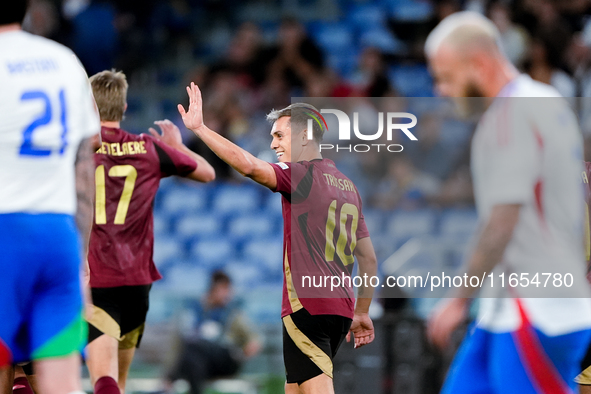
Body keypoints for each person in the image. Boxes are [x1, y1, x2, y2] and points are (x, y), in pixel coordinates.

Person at [424, 11, 591, 393]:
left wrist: (457, 299)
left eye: (446, 78)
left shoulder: (508, 115)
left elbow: (502, 219)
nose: (440, 90)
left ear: (479, 64)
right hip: (505, 309)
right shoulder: (546, 100)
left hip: (536, 312)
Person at [177, 83, 378, 394]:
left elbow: (248, 166)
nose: (273, 144)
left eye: (279, 135)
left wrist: (201, 129)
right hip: (340, 309)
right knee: (294, 388)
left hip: (307, 306)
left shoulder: (300, 174)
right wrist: (362, 311)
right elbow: (368, 259)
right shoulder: (348, 186)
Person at [85, 70, 215, 394]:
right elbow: (208, 173)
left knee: (103, 380)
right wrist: (177, 146)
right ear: (125, 107)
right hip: (137, 280)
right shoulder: (149, 148)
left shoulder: (80, 150)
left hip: (97, 276)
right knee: (120, 382)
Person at [0, 1, 100, 394]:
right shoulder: (63, 60)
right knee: (59, 381)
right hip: (57, 234)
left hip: (5, 228)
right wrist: (83, 255)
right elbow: (86, 160)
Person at [164, 271, 260, 394]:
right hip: (204, 364)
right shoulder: (195, 312)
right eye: (225, 289)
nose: (228, 294)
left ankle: (170, 379)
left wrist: (241, 355)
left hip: (225, 359)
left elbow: (255, 341)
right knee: (193, 357)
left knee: (193, 345)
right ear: (213, 289)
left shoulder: (233, 315)